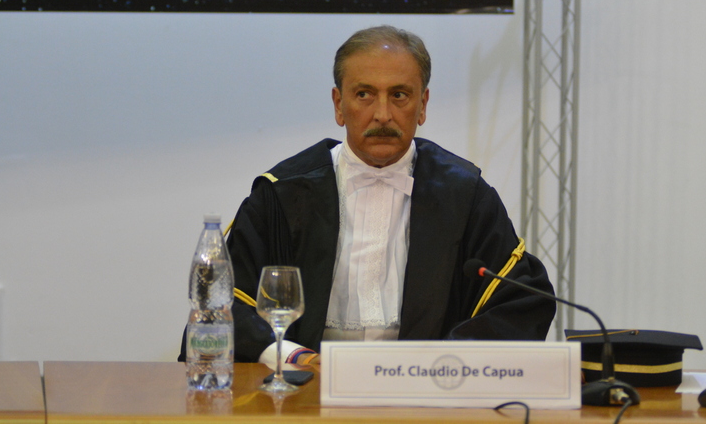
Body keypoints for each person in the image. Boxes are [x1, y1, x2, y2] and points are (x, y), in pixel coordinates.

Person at [179, 25, 556, 365]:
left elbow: (522, 301)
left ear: (422, 106)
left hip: (425, 396)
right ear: (338, 105)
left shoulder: (465, 196)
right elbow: (219, 308)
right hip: (305, 392)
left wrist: (439, 362)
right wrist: (293, 357)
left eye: (399, 95)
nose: (382, 114)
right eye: (364, 94)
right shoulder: (283, 194)